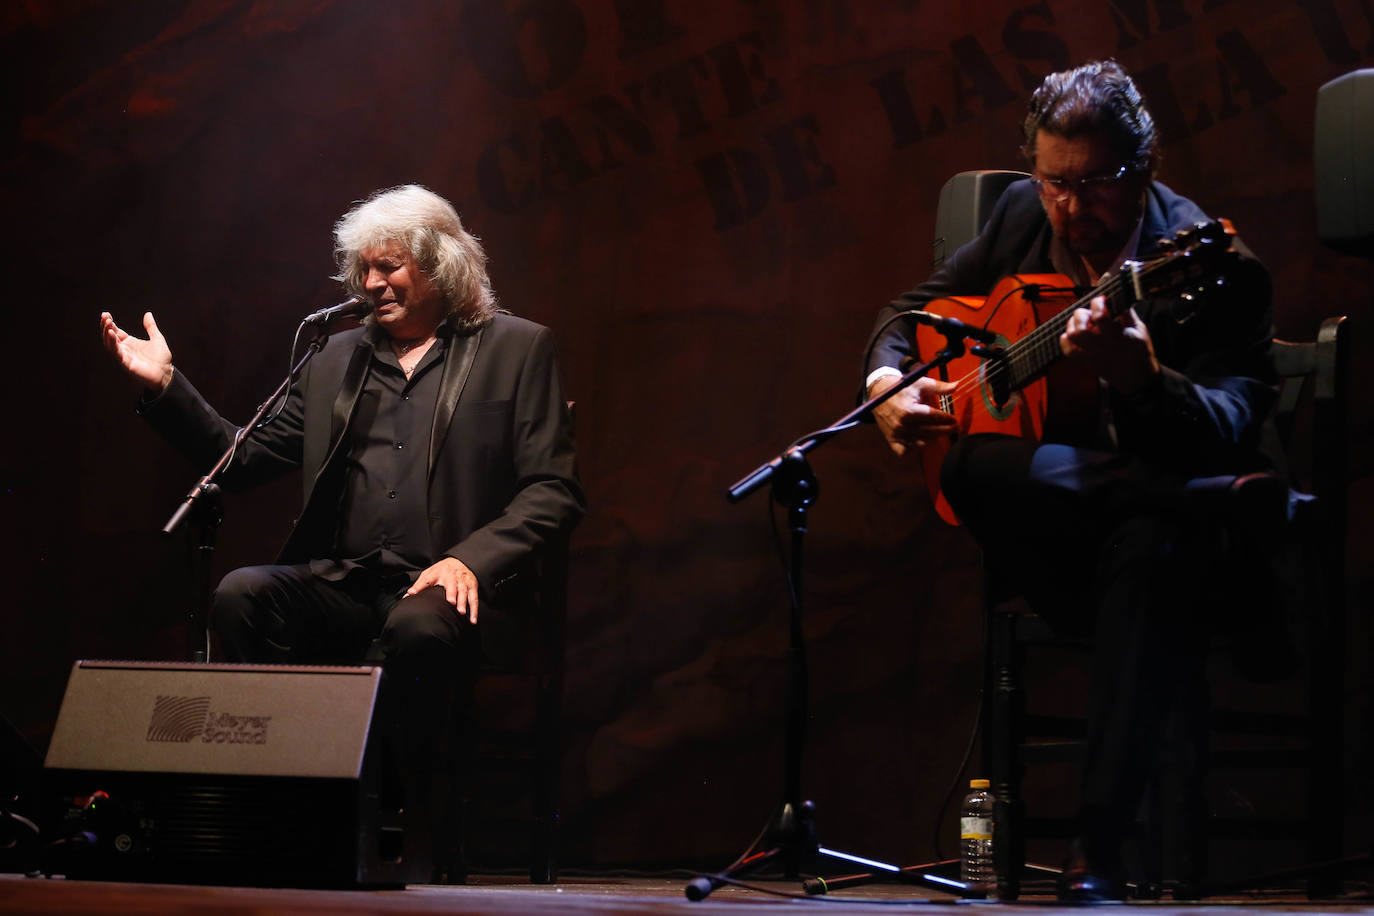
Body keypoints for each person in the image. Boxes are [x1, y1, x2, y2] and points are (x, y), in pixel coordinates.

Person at [863, 61, 1281, 901]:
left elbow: (1230, 427)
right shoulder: (1020, 214)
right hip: (1051, 551)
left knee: (1150, 541)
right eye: (1054, 182)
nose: (1069, 208)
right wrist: (888, 383)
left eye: (1093, 184)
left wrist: (1138, 380)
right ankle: (1168, 505)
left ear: (1144, 167)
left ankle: (1101, 852)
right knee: (974, 460)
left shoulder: (1212, 263)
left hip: (1180, 562)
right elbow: (909, 314)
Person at [100, 184, 585, 880]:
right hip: (351, 582)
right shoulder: (334, 359)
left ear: (440, 265)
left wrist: (471, 560)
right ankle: (272, 813)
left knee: (418, 629)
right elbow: (242, 457)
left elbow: (554, 488)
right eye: (363, 269)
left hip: (450, 590)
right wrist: (167, 385)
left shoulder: (517, 349)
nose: (370, 283)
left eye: (389, 267)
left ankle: (392, 829)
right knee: (244, 596)